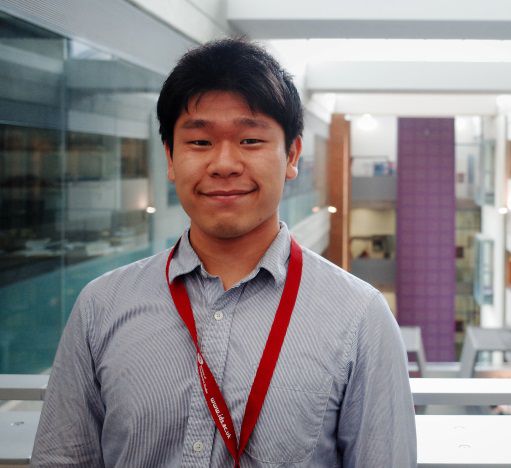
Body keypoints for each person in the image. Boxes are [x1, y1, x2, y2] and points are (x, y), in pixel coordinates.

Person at [32, 38, 416, 467]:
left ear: (291, 155)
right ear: (171, 159)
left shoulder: (359, 316)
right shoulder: (101, 307)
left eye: (250, 140)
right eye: (199, 143)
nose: (224, 163)